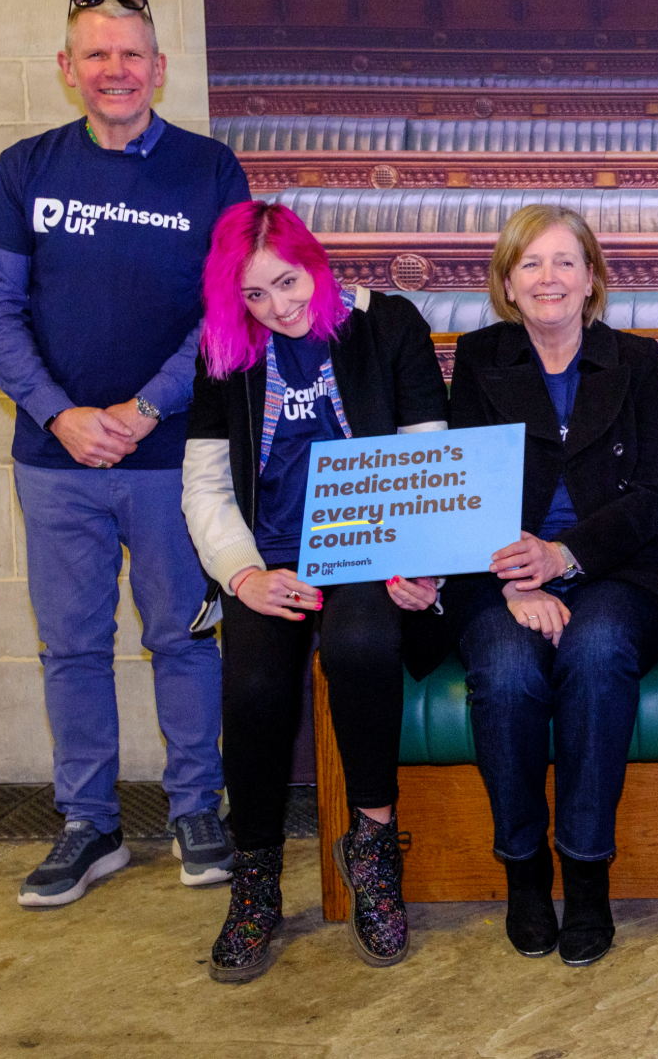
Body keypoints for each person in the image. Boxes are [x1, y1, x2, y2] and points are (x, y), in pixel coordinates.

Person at [0, 0, 248, 908]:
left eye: (131, 55)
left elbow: (227, 309)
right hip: (56, 463)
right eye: (96, 56)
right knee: (73, 647)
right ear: (67, 68)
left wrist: (141, 407)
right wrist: (61, 414)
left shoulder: (210, 170)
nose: (116, 71)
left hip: (171, 456)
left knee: (184, 638)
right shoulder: (24, 169)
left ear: (159, 68)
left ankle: (197, 808)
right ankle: (88, 825)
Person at [182, 201, 447, 982]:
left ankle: (373, 846)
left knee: (362, 643)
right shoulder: (222, 349)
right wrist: (243, 575)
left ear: (315, 260)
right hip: (271, 558)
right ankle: (256, 873)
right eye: (255, 296)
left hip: (367, 546)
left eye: (287, 282)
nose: (278, 307)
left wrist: (417, 560)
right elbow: (203, 483)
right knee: (256, 680)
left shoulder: (388, 324)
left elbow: (425, 459)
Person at [443, 204, 658, 968]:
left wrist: (565, 556)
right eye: (531, 263)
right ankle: (523, 870)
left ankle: (585, 872)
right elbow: (463, 490)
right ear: (508, 282)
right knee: (508, 669)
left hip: (613, 570)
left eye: (565, 261)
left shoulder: (637, 360)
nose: (549, 277)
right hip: (499, 575)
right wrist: (515, 579)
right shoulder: (478, 360)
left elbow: (655, 491)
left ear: (591, 280)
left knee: (599, 643)